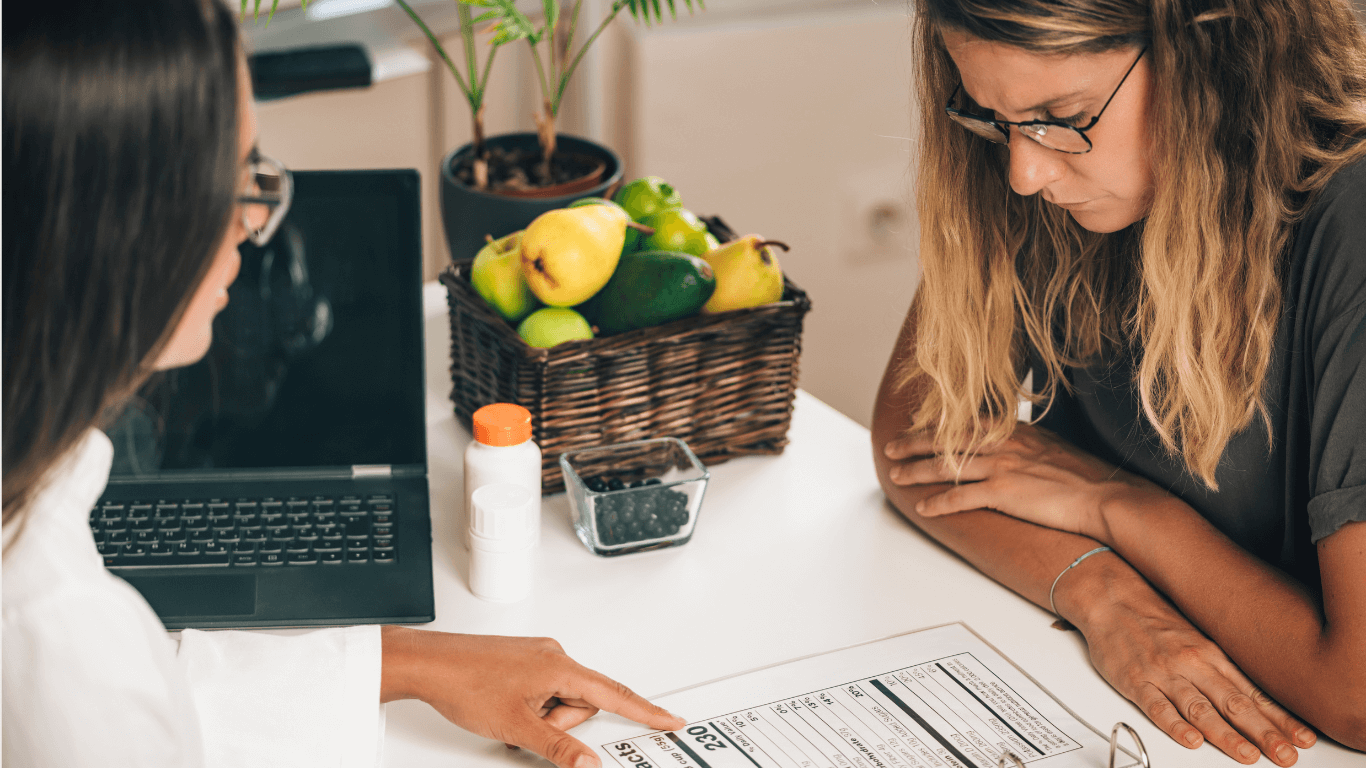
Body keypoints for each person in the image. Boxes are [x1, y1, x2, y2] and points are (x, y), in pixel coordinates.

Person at [1, 1, 683, 765]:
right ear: (115, 223)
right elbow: (109, 700)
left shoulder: (38, 542)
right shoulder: (50, 630)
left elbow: (150, 688)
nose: (254, 225)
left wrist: (417, 663)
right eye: (233, 180)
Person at [871, 0, 1366, 763]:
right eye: (992, 117)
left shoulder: (1352, 213)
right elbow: (919, 438)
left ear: (1219, 49)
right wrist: (1097, 590)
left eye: (1060, 114)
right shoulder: (1060, 168)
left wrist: (1119, 508)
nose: (1024, 173)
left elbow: (1358, 697)